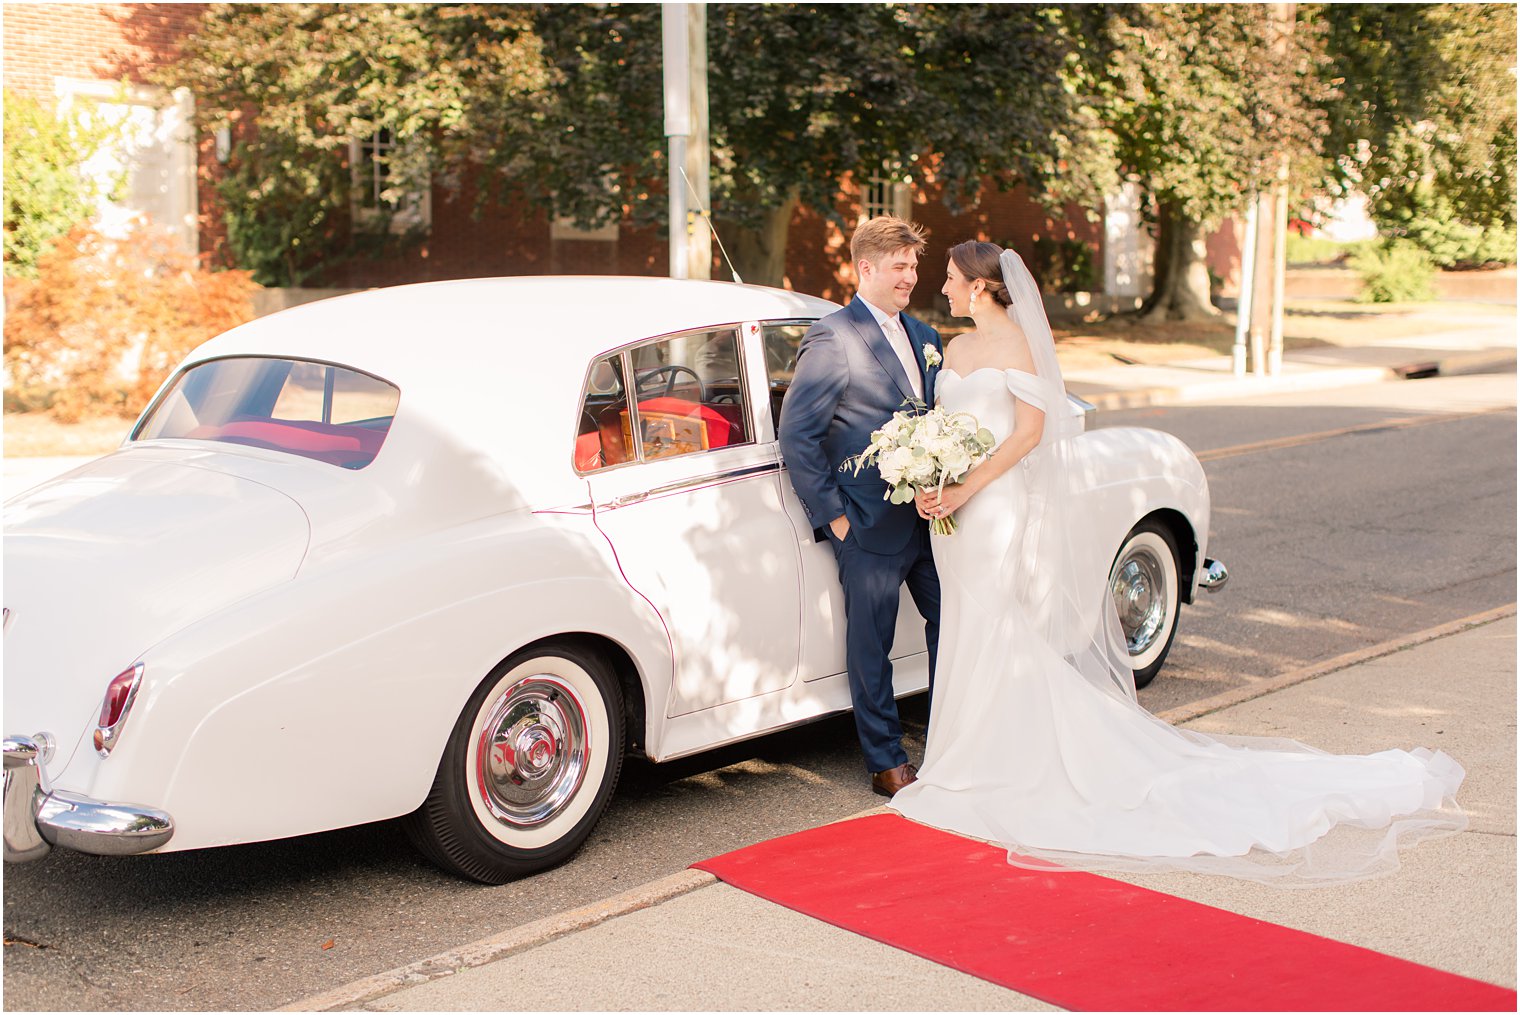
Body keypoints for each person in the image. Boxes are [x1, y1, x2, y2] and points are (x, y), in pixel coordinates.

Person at [888, 241, 1467, 884]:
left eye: (948, 278)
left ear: (981, 287)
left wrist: (970, 486)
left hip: (994, 508)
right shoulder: (957, 349)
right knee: (967, 625)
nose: (940, 286)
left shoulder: (1019, 348)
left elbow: (1028, 434)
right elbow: (938, 424)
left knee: (998, 624)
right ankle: (960, 757)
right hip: (951, 512)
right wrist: (931, 476)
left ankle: (995, 762)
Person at [779, 216, 943, 798]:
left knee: (954, 624)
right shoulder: (834, 337)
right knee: (870, 645)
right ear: (866, 268)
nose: (911, 277)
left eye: (915, 266)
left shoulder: (925, 334)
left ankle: (953, 740)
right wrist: (837, 518)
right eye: (900, 267)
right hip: (867, 524)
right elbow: (798, 436)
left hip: (929, 519)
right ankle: (885, 760)